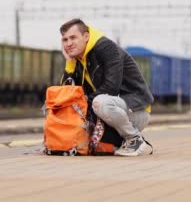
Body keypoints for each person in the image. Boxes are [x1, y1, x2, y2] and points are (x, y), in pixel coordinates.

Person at [59, 18, 154, 156]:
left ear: (86, 36)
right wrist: (70, 64)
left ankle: (134, 139)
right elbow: (67, 94)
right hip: (107, 113)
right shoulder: (79, 59)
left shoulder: (106, 48)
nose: (68, 43)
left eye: (73, 37)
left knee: (100, 102)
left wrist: (82, 104)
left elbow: (111, 88)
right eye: (65, 40)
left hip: (135, 110)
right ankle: (118, 142)